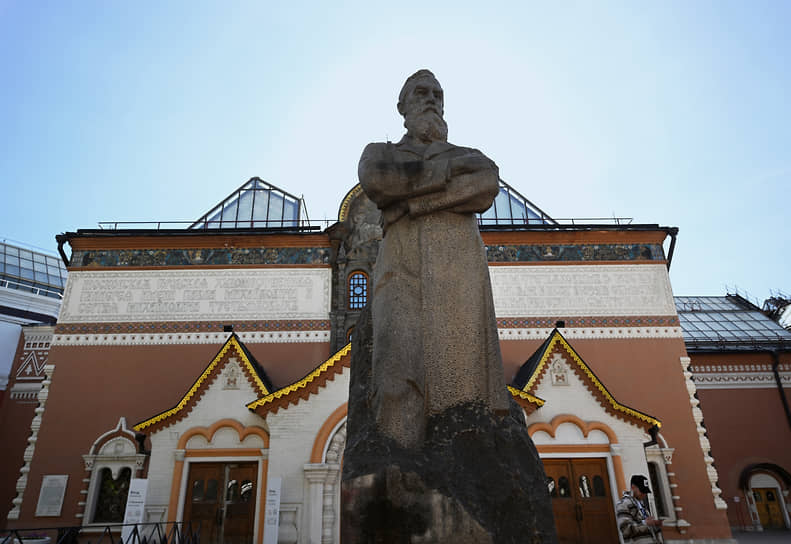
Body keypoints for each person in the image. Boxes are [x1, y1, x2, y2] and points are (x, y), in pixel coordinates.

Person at [358, 69, 511, 448]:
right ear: (402, 106)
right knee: (397, 369)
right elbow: (378, 180)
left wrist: (410, 205)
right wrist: (445, 178)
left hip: (458, 275)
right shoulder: (382, 153)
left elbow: (486, 183)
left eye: (438, 95)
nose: (431, 100)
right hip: (401, 267)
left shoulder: (469, 156)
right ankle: (399, 460)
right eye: (422, 93)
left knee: (462, 381)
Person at [616, 474, 664, 543]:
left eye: (645, 491)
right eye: (642, 490)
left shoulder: (642, 506)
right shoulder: (623, 504)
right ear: (633, 487)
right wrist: (645, 523)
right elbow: (626, 530)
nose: (644, 494)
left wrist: (654, 525)